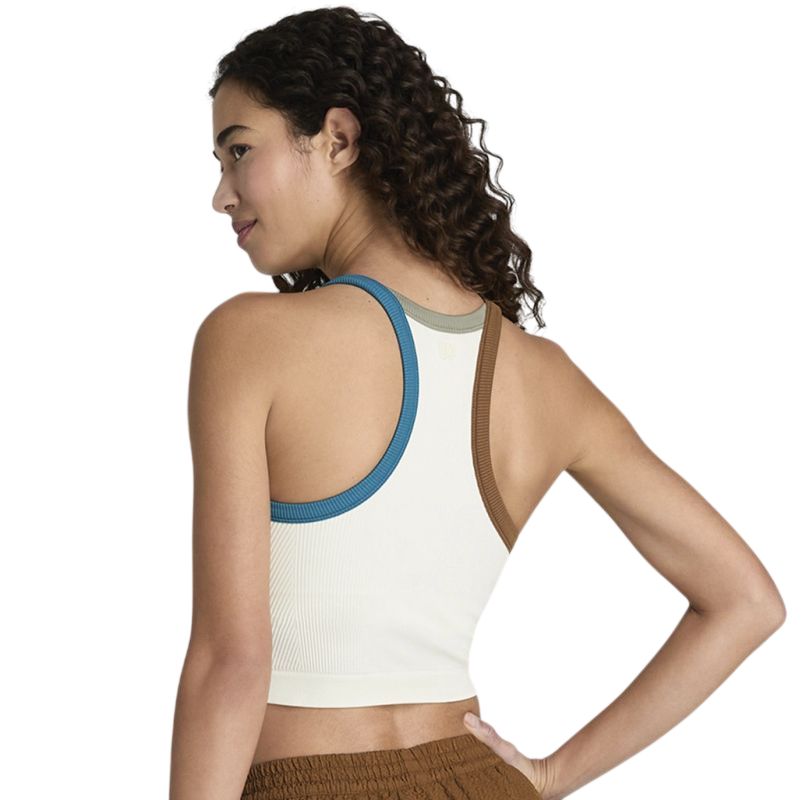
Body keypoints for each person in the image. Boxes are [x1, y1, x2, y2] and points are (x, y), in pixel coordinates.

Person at [169, 8, 786, 800]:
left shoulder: (249, 340)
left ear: (337, 139)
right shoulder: (544, 380)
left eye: (239, 152)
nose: (221, 195)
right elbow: (745, 601)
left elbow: (230, 664)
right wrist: (547, 777)